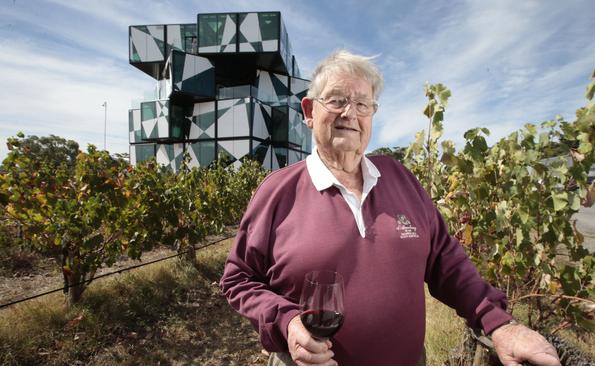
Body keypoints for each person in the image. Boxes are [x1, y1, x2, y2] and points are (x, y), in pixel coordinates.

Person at [220, 50, 561, 366]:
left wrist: (500, 325)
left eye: (362, 104)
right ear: (310, 112)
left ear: (372, 115)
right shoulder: (278, 191)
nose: (349, 113)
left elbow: (448, 263)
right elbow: (238, 279)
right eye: (337, 100)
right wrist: (287, 321)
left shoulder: (400, 178)